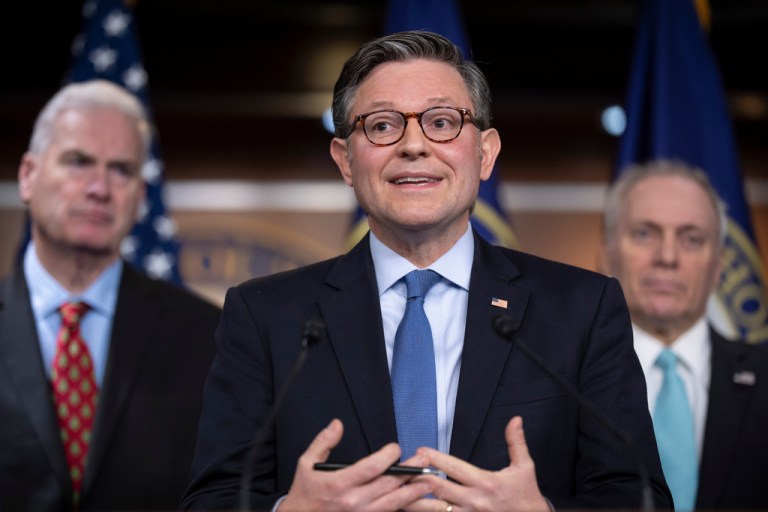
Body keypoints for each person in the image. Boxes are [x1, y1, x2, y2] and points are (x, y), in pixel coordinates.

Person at [181, 31, 671, 511]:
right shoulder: (265, 315)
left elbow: (640, 498)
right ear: (345, 161)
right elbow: (211, 500)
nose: (413, 145)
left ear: (485, 153)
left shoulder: (582, 309)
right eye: (381, 125)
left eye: (441, 122)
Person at [0, 80, 221, 511]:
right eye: (78, 162)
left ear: (140, 197)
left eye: (121, 170)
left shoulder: (208, 335)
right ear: (28, 176)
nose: (99, 188)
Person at [601, 160, 768, 511]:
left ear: (718, 264)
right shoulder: (557, 381)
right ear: (607, 254)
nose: (667, 257)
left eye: (691, 239)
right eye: (645, 234)